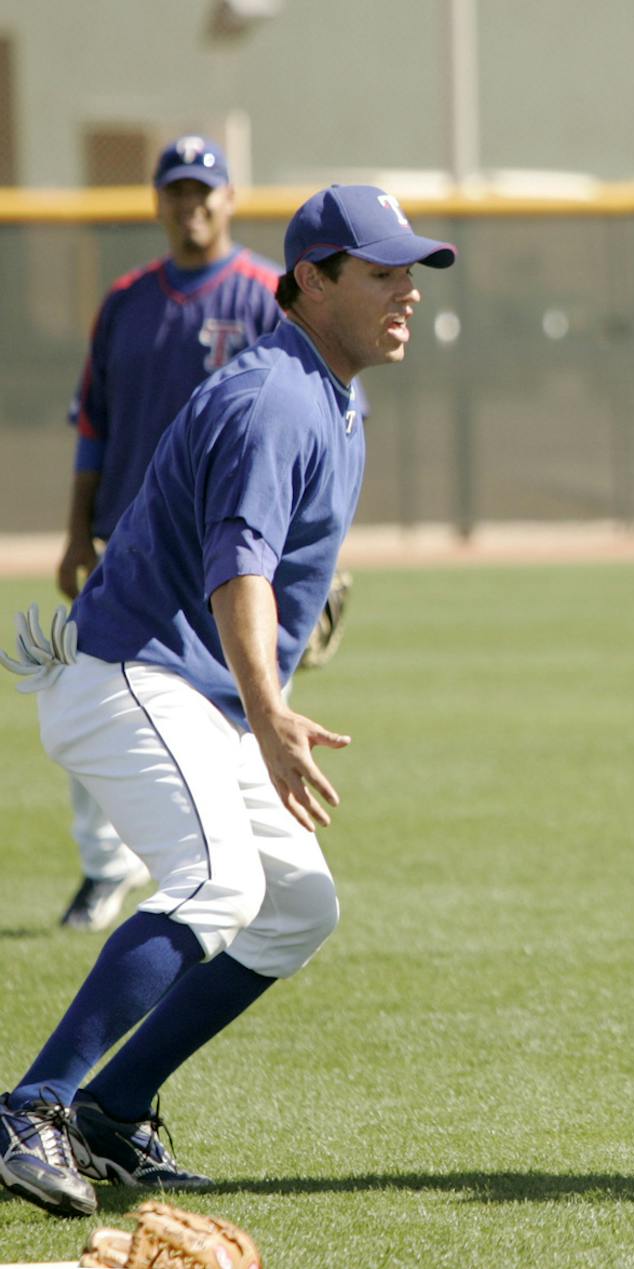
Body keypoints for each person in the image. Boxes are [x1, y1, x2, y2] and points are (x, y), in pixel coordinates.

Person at [0, 185, 453, 1218]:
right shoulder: (275, 398)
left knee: (296, 908)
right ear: (311, 281)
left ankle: (113, 1111)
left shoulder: (333, 392)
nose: (407, 294)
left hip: (193, 692)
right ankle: (31, 1106)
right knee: (216, 883)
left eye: (412, 273)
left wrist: (262, 698)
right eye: (381, 272)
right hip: (135, 674)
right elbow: (237, 572)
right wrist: (274, 711)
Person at [51, 136, 283, 933]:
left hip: (226, 548)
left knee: (230, 710)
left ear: (230, 199)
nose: (193, 207)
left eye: (205, 192)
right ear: (157, 203)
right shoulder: (125, 300)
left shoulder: (263, 296)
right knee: (103, 694)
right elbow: (95, 425)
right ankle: (102, 869)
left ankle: (235, 868)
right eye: (178, 193)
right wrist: (76, 532)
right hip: (130, 544)